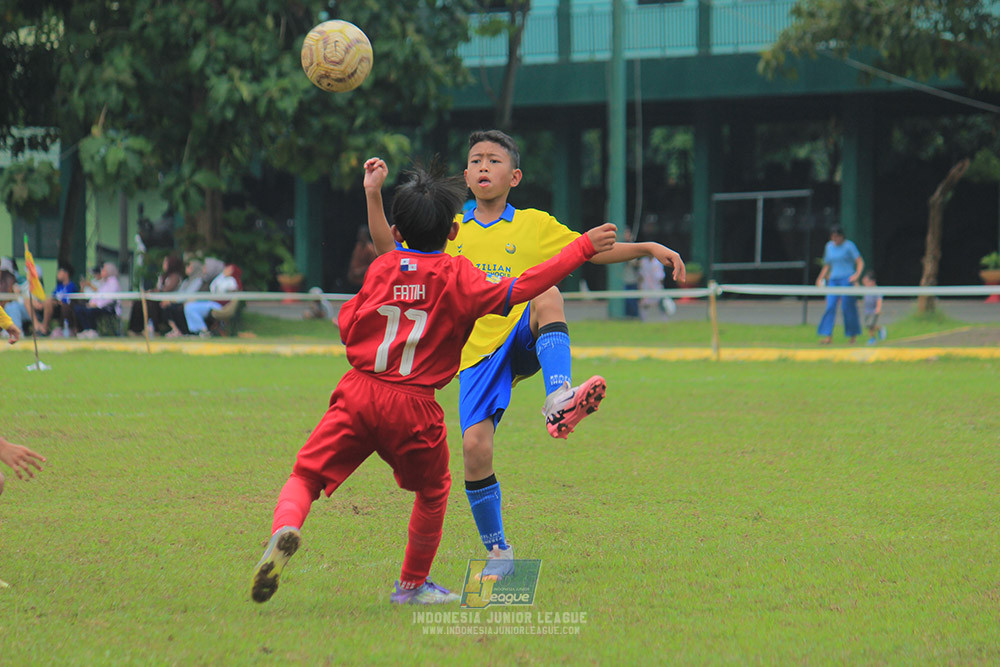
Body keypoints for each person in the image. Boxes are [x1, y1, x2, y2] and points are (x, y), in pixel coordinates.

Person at [250, 161, 616, 606]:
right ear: (453, 234)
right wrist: (579, 250)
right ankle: (412, 585)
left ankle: (285, 529)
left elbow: (348, 326)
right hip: (415, 407)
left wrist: (373, 193)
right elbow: (524, 287)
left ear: (398, 230)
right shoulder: (459, 276)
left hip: (359, 391)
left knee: (305, 476)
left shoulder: (383, 268)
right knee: (432, 491)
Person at [364, 129, 685, 582]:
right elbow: (390, 254)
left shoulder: (534, 225)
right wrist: (374, 195)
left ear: (514, 176)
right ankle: (498, 550)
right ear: (465, 175)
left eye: (493, 160)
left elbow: (592, 252)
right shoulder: (449, 226)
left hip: (519, 336)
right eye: (475, 160)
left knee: (548, 292)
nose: (482, 167)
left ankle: (559, 398)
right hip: (473, 357)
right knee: (475, 450)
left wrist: (648, 248)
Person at [816, 226, 864, 344]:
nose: (835, 239)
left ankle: (852, 336)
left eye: (837, 236)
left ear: (842, 236)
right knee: (830, 306)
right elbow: (827, 264)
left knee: (847, 307)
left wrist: (856, 275)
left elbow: (859, 261)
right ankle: (828, 336)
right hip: (833, 279)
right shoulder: (829, 246)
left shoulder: (849, 246)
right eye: (833, 237)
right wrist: (820, 278)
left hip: (846, 279)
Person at [178, 264, 242, 338]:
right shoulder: (222, 278)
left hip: (219, 305)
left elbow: (226, 294)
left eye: (228, 269)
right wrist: (222, 275)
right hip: (213, 302)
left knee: (190, 307)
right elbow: (213, 287)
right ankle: (198, 330)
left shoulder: (232, 281)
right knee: (189, 306)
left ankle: (202, 330)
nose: (225, 270)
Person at [128, 254, 184, 336]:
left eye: (166, 262)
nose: (164, 264)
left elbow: (166, 290)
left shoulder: (175, 277)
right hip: (158, 299)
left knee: (151, 305)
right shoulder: (162, 276)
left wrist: (153, 291)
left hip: (169, 301)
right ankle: (135, 329)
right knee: (138, 303)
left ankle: (156, 329)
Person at [71, 262, 121, 338]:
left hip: (108, 307)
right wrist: (91, 303)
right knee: (78, 309)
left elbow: (110, 299)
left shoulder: (113, 282)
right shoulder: (105, 282)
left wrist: (97, 305)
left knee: (90, 311)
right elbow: (98, 294)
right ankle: (87, 329)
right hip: (98, 305)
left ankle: (92, 330)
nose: (102, 272)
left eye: (104, 270)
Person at [38, 261, 77, 337]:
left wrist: (56, 302)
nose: (58, 273)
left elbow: (67, 301)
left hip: (64, 309)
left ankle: (44, 328)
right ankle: (38, 327)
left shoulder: (71, 286)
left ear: (66, 273)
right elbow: (53, 296)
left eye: (60, 271)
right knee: (46, 301)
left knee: (49, 301)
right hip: (54, 307)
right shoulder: (59, 286)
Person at [862, 270, 887, 345]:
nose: (865, 284)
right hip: (867, 310)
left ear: (872, 282)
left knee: (871, 325)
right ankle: (880, 329)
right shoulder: (866, 289)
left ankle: (872, 339)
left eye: (867, 282)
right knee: (867, 325)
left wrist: (878, 308)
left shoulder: (876, 290)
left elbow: (879, 299)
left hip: (874, 310)